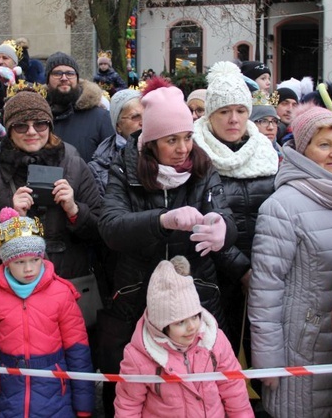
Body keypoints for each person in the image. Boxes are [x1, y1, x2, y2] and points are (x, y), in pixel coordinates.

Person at [98, 81, 248, 416]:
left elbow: (223, 214)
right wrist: (161, 220)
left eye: (188, 137)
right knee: (141, 392)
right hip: (137, 299)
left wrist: (224, 229)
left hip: (198, 300)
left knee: (200, 390)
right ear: (150, 143)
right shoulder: (125, 169)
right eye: (171, 140)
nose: (183, 148)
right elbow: (111, 226)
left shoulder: (203, 167)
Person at [248, 104, 332, 418]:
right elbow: (265, 292)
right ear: (303, 149)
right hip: (304, 346)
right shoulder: (282, 206)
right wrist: (268, 363)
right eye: (324, 145)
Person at [0, 207, 94, 417]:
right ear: (7, 261)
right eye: (20, 262)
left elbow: (78, 351)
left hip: (56, 396)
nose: (29, 269)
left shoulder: (61, 292)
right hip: (10, 397)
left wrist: (83, 404)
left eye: (35, 260)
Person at [0, 89, 102, 279]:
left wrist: (74, 211)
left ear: (49, 126)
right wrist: (9, 218)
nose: (31, 132)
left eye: (40, 124)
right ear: (9, 131)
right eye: (21, 126)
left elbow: (100, 232)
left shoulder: (74, 165)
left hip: (67, 280)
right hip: (16, 286)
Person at [192, 61, 278, 350]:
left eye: (240, 111)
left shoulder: (268, 153)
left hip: (266, 271)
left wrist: (261, 268)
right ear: (210, 115)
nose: (233, 119)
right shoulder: (195, 157)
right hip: (214, 276)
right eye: (224, 111)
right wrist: (241, 270)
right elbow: (199, 220)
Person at [114, 257, 253, 417]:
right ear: (162, 326)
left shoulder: (214, 341)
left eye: (195, 316)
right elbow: (128, 405)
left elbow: (233, 388)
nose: (192, 327)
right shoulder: (139, 356)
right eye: (180, 322)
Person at [43, 52, 114, 162]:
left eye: (70, 73)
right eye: (57, 73)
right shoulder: (38, 117)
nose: (64, 78)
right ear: (47, 80)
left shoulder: (100, 117)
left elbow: (111, 161)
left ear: (77, 78)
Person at [88, 88, 143, 197]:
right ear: (118, 126)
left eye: (148, 115)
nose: (143, 122)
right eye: (135, 117)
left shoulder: (163, 154)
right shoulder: (98, 168)